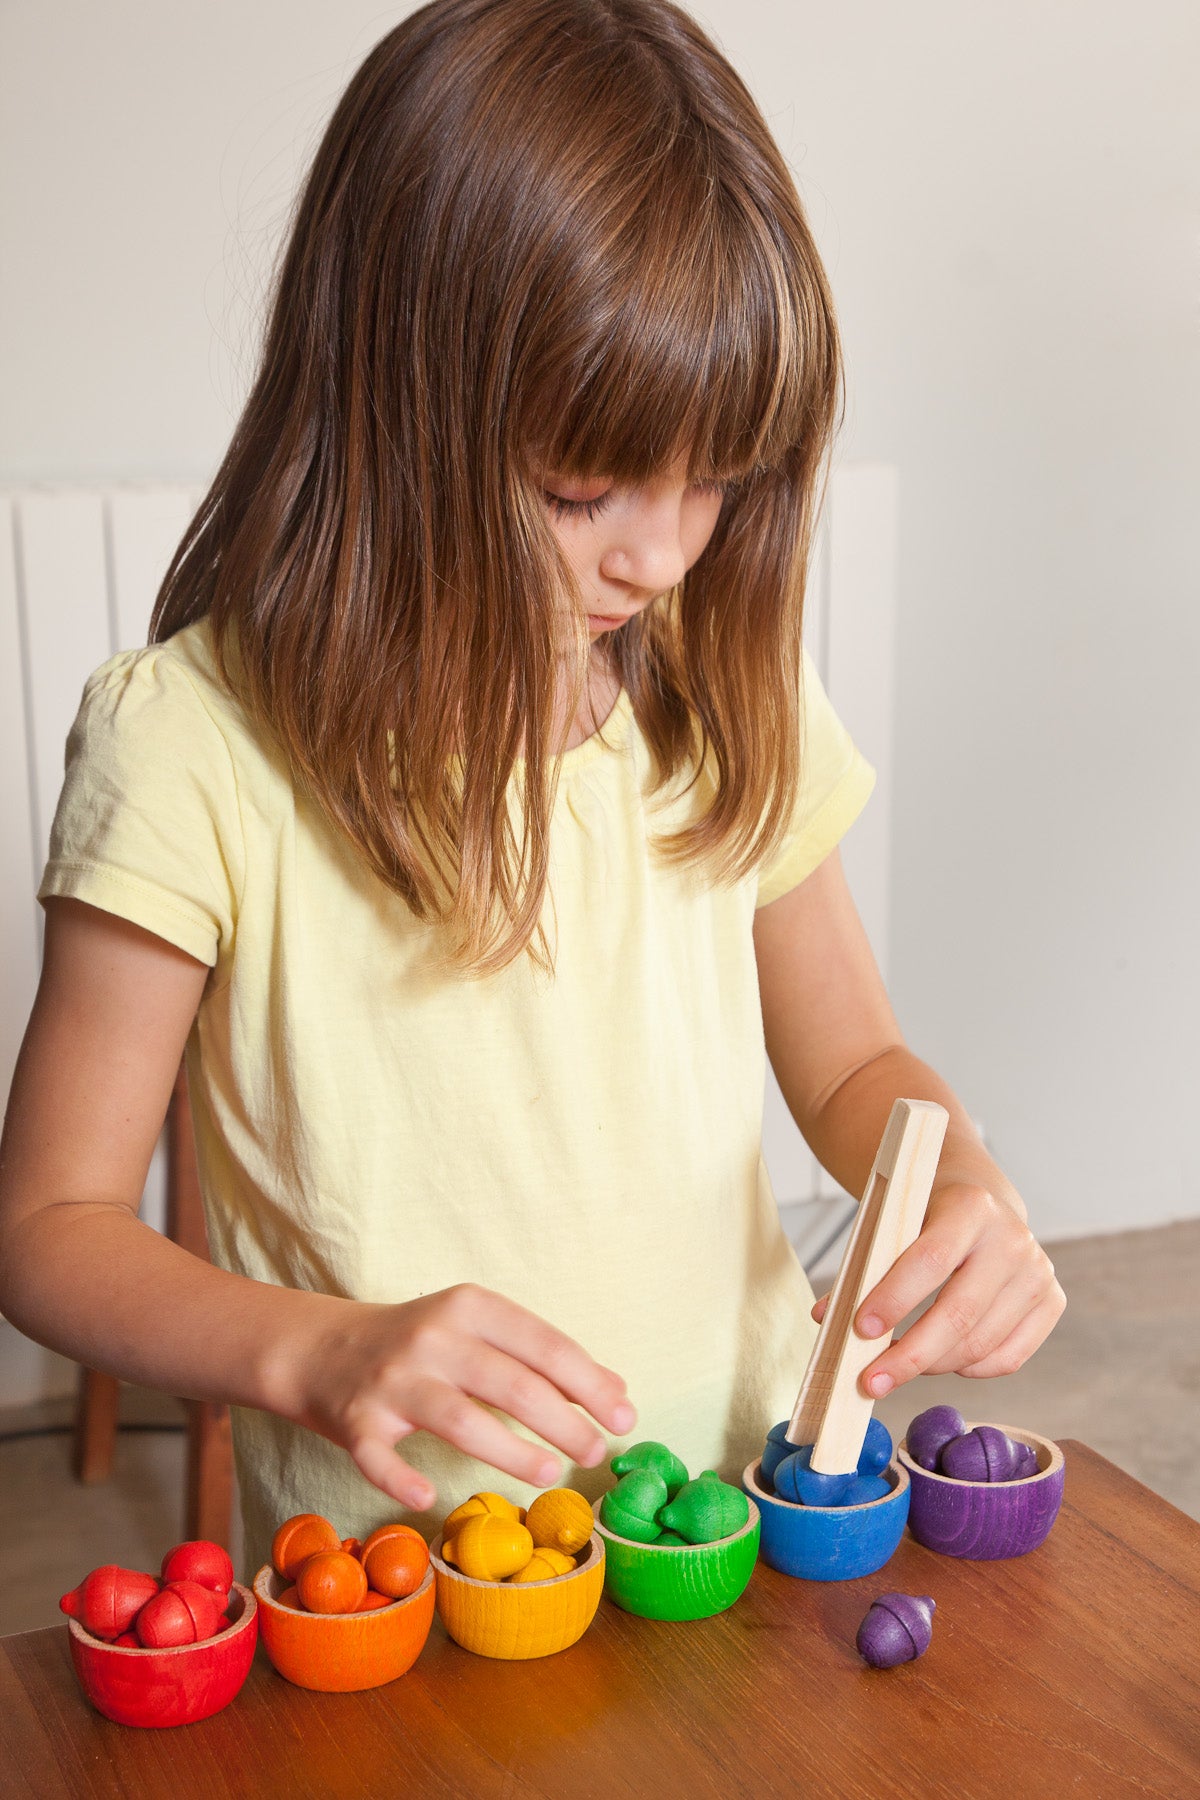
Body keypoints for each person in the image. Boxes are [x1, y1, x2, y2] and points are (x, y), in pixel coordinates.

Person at [0, 0, 1064, 1576]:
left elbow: (856, 1063)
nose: (661, 552)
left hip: (744, 1523)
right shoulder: (193, 746)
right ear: (390, 416)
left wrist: (957, 1177)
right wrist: (319, 1355)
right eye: (583, 490)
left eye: (717, 478)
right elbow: (51, 1232)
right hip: (426, 1577)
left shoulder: (721, 681)